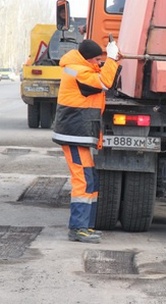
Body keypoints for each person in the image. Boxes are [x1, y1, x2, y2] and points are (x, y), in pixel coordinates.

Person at [52, 39, 121, 243]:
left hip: (78, 133)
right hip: (73, 134)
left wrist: (113, 60)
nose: (99, 62)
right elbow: (104, 82)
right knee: (82, 180)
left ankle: (85, 226)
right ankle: (78, 228)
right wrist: (112, 59)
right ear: (87, 58)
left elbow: (101, 78)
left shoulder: (81, 67)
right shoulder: (77, 71)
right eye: (97, 59)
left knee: (90, 179)